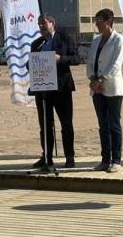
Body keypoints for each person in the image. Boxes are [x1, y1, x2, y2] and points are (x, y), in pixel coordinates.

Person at [29, 14, 80, 169]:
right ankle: (47, 157)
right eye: (39, 24)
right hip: (42, 90)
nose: (42, 27)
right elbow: (32, 63)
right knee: (45, 125)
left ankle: (69, 157)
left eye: (44, 23)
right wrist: (29, 64)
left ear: (52, 23)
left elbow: (77, 58)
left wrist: (61, 58)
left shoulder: (64, 38)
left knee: (66, 124)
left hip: (62, 88)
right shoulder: (36, 44)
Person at [85, 8, 123, 173]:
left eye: (99, 20)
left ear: (108, 21)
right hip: (96, 88)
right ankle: (105, 160)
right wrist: (92, 79)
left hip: (112, 88)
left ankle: (116, 160)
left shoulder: (119, 40)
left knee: (113, 124)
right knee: (103, 125)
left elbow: (116, 64)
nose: (96, 24)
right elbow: (89, 62)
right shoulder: (96, 40)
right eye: (96, 21)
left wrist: (101, 79)